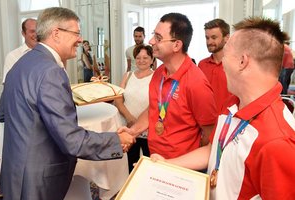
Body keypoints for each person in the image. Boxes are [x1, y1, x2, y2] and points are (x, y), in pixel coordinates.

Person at [0, 7, 134, 200]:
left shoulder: (20, 63)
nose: (80, 39)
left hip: (15, 173)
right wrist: (116, 140)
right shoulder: (51, 71)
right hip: (37, 181)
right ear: (56, 34)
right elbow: (72, 140)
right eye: (76, 33)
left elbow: (2, 113)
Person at [151, 17, 295, 199]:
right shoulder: (234, 105)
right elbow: (213, 150)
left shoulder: (277, 141)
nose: (222, 63)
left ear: (243, 62)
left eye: (226, 54)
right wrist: (168, 164)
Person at [119, 13, 217, 160]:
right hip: (156, 158)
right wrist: (133, 131)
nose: (151, 41)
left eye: (158, 38)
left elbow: (209, 133)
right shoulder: (159, 73)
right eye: (153, 36)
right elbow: (154, 108)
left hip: (181, 167)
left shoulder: (196, 83)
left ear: (176, 45)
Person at [115, 44, 154, 172]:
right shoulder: (128, 75)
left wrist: (140, 121)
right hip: (128, 126)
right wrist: (129, 117)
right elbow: (118, 99)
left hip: (148, 128)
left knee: (150, 162)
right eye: (138, 58)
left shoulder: (156, 77)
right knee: (130, 162)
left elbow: (155, 102)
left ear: (152, 59)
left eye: (145, 58)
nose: (141, 61)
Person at [198, 18, 232, 114]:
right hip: (205, 123)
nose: (209, 42)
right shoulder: (201, 65)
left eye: (214, 37)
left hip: (228, 123)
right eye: (207, 38)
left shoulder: (235, 65)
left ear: (226, 38)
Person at [2, 18, 37, 84]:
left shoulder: (47, 54)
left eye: (38, 31)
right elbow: (8, 84)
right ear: (23, 33)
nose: (36, 34)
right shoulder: (13, 56)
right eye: (32, 31)